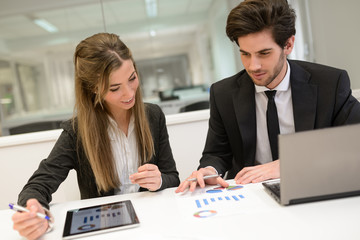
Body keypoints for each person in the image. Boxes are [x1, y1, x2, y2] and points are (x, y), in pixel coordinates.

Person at [176, 0, 360, 193]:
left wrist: (289, 163)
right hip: (252, 196)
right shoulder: (223, 93)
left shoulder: (329, 83)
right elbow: (217, 153)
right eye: (245, 54)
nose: (253, 66)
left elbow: (353, 141)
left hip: (316, 185)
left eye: (263, 53)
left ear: (288, 45)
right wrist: (209, 170)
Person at [12, 32, 180, 240]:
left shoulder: (153, 116)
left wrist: (160, 180)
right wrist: (33, 208)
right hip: (106, 231)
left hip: (153, 224)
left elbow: (173, 177)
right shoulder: (77, 132)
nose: (129, 94)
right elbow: (38, 185)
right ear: (93, 89)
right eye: (115, 88)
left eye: (132, 78)